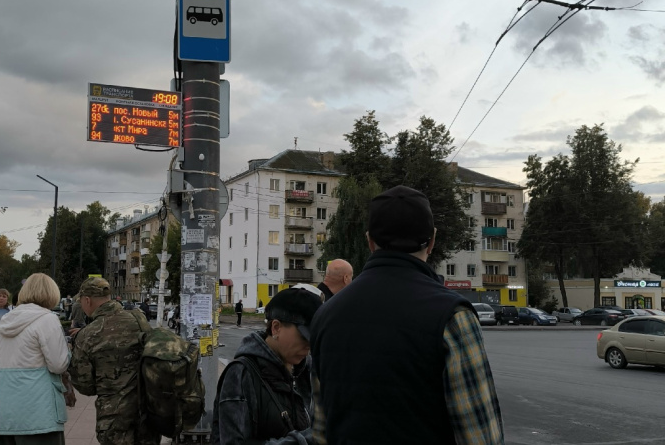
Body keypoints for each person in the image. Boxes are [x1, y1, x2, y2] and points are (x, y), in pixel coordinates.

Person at [309, 185, 504, 444]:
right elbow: (480, 436)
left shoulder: (325, 315)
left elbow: (320, 430)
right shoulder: (452, 316)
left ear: (369, 241)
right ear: (432, 241)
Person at [211, 285, 322, 445]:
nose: (309, 345)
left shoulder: (307, 368)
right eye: (305, 336)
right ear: (276, 328)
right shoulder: (241, 374)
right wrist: (304, 441)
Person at [68, 277, 160, 445]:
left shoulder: (87, 335)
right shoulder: (139, 320)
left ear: (87, 300)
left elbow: (86, 386)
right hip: (147, 412)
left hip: (113, 417)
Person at [0, 273, 70, 443]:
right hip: (39, 413)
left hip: (6, 412)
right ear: (51, 293)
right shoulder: (47, 319)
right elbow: (58, 365)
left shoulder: (6, 320)